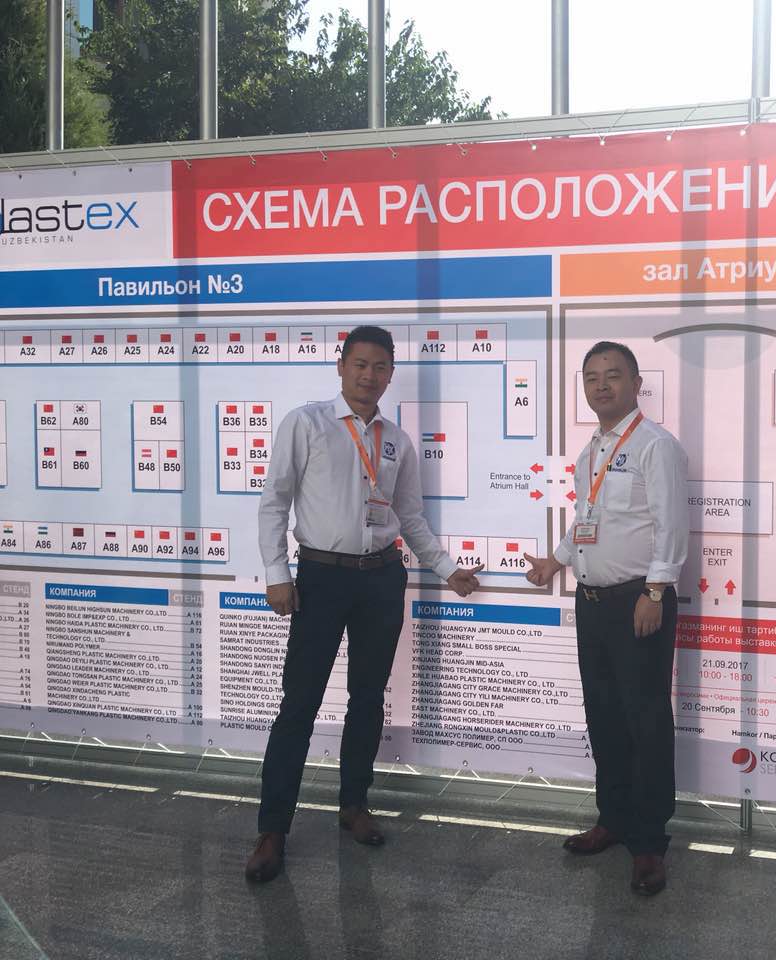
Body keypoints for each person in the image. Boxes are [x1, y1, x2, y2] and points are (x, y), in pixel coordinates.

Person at [245, 324, 482, 883]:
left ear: (390, 374)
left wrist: (446, 569)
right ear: (341, 366)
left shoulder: (396, 441)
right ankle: (273, 829)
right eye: (359, 364)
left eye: (379, 367)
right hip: (321, 577)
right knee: (299, 703)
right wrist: (277, 574)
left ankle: (354, 804)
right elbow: (274, 501)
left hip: (380, 579)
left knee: (368, 698)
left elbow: (410, 517)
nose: (368, 375)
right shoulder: (306, 423)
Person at [523, 340, 689, 896]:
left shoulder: (655, 445)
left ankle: (649, 843)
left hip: (638, 601)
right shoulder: (592, 449)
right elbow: (587, 516)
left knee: (645, 720)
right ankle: (612, 819)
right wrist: (557, 560)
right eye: (591, 377)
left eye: (612, 375)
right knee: (604, 715)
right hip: (592, 602)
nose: (601, 385)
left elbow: (671, 525)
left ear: (636, 383)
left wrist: (656, 591)